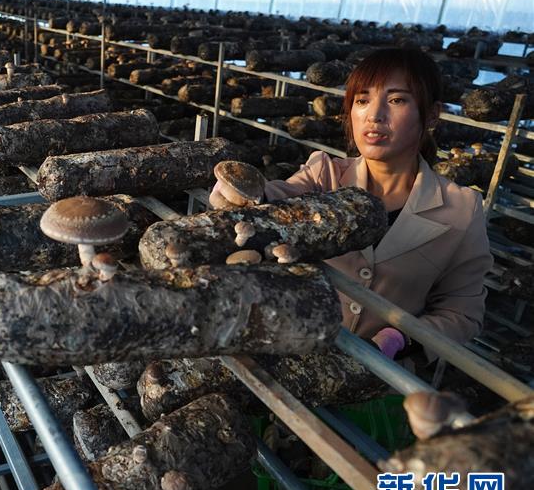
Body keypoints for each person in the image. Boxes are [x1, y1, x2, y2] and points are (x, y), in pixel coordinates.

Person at [210, 48, 492, 366]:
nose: (374, 115)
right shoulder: (325, 174)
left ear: (432, 115)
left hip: (376, 375)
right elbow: (278, 198)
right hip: (287, 352)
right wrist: (245, 194)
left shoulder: (461, 209)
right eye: (362, 100)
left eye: (396, 100)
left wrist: (401, 339)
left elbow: (462, 312)